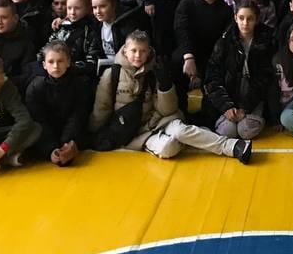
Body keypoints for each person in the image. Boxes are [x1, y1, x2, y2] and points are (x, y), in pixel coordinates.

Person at [89, 30, 252, 163]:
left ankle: (233, 146)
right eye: (134, 50)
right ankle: (199, 134)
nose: (138, 55)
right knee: (168, 148)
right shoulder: (112, 74)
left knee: (180, 131)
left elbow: (168, 110)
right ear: (125, 51)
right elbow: (101, 107)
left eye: (142, 51)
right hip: (134, 133)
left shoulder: (155, 71)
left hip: (160, 121)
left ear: (149, 52)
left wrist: (165, 86)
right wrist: (93, 133)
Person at [202, 0, 274, 140]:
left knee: (246, 131)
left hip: (253, 97)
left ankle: (256, 117)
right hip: (230, 95)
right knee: (227, 131)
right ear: (235, 18)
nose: (245, 23)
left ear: (257, 20)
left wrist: (245, 107)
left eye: (250, 19)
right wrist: (226, 106)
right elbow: (212, 78)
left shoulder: (266, 42)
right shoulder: (224, 42)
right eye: (241, 18)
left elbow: (264, 79)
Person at [25, 43, 92, 167]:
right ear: (44, 65)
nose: (56, 66)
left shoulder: (81, 85)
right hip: (45, 134)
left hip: (73, 133)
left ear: (68, 62)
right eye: (51, 62)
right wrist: (51, 149)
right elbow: (38, 120)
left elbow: (78, 116)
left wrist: (68, 143)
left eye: (60, 61)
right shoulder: (35, 87)